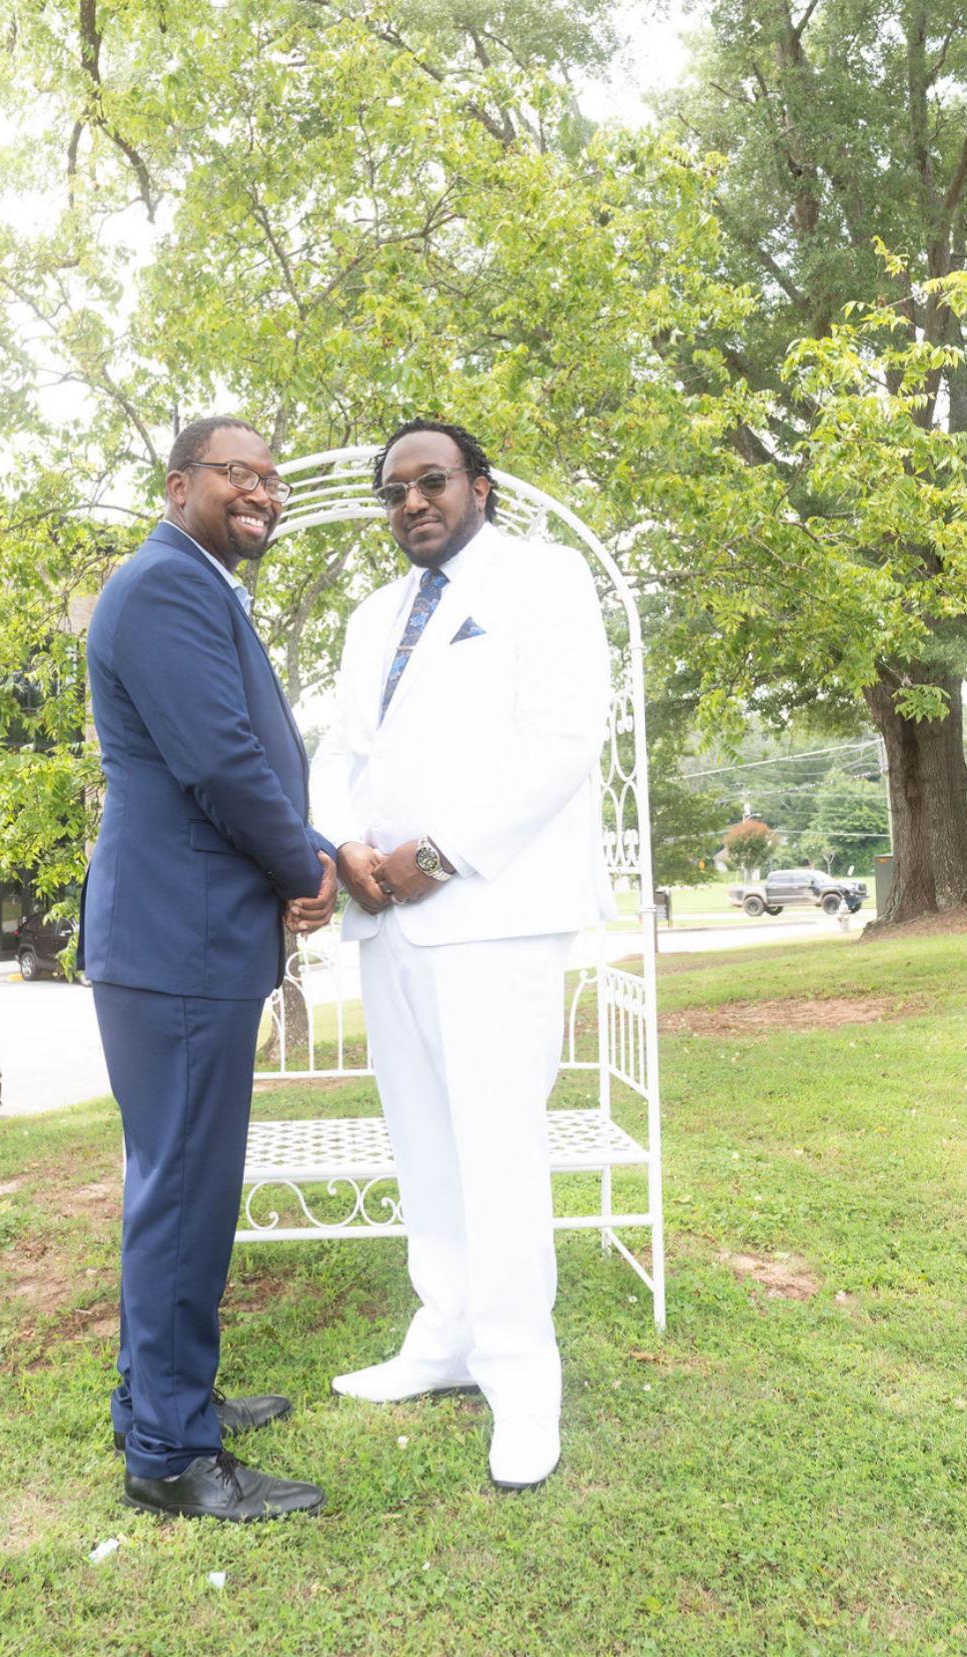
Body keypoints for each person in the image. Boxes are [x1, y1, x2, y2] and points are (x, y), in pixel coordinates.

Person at [312, 419, 612, 1490]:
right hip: (385, 915)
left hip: (491, 911)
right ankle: (442, 1336)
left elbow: (561, 738)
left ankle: (521, 1378)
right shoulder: (368, 617)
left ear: (479, 486)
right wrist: (344, 845)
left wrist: (434, 856)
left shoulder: (545, 578)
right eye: (393, 491)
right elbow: (340, 750)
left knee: (496, 1148)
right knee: (425, 1145)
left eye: (431, 481)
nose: (412, 503)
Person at [82, 415, 338, 1522]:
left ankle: (158, 1394)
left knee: (174, 1184)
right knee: (185, 1191)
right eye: (240, 473)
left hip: (179, 936)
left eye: (273, 478)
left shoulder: (189, 583)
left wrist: (299, 854)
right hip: (177, 936)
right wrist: (305, 864)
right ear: (178, 483)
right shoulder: (165, 586)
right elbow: (223, 762)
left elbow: (233, 755)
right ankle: (170, 1454)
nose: (264, 492)